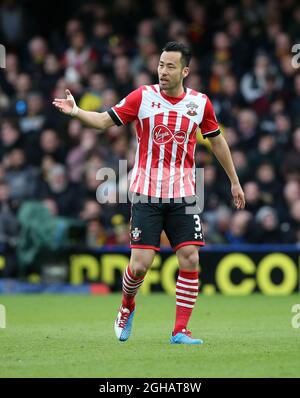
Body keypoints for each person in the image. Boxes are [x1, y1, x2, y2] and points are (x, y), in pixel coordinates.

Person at [53, 42, 245, 345]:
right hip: (146, 194)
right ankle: (127, 306)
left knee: (190, 258)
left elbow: (217, 141)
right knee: (140, 265)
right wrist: (76, 111)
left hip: (184, 194)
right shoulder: (143, 97)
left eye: (170, 66)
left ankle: (180, 331)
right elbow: (104, 121)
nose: (163, 71)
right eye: (160, 65)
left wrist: (234, 180)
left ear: (185, 71)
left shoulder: (200, 103)